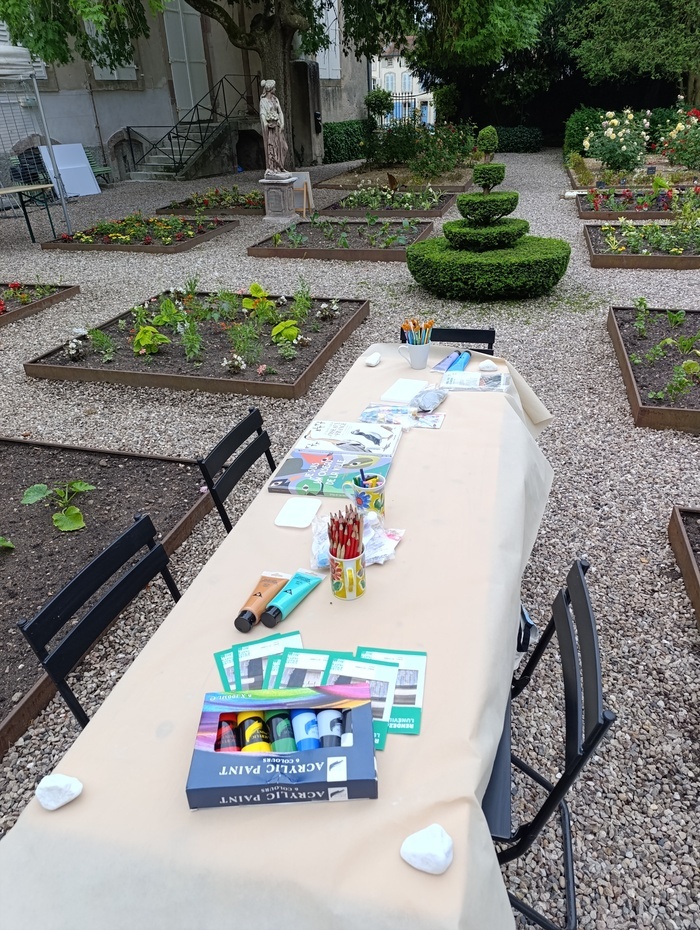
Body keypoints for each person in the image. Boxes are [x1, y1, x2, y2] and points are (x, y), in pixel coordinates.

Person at [259, 79, 290, 177]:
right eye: (274, 87)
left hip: (277, 127)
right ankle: (273, 167)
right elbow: (262, 113)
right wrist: (265, 123)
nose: (275, 89)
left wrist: (283, 123)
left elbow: (280, 111)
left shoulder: (275, 99)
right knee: (273, 147)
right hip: (271, 128)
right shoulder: (263, 101)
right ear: (270, 89)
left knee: (284, 147)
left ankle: (280, 167)